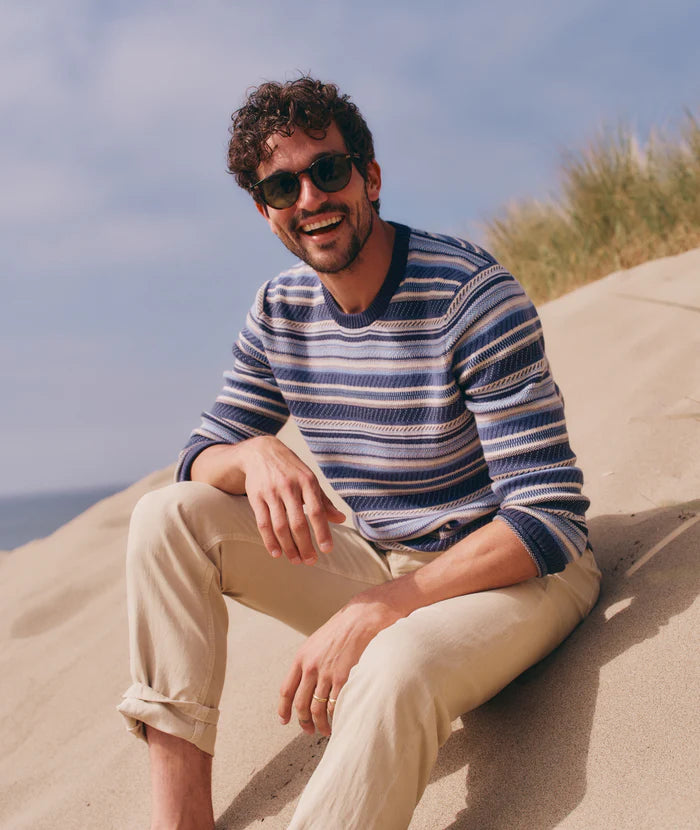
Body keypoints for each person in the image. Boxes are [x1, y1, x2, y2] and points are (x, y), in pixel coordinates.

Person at [118, 76, 601, 830]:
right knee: (166, 519)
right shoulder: (280, 311)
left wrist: (387, 607)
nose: (309, 197)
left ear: (370, 176)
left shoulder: (470, 297)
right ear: (266, 212)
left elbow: (548, 519)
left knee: (394, 661)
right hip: (385, 563)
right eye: (283, 186)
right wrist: (252, 455)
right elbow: (198, 456)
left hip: (515, 576)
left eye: (328, 170)